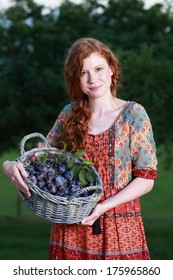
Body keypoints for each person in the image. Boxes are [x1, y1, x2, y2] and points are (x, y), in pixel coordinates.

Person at [3, 37, 158, 260]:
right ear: (75, 78)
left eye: (98, 69)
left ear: (112, 69)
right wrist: (8, 165)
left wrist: (103, 206)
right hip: (71, 229)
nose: (92, 78)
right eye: (83, 72)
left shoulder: (133, 114)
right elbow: (39, 160)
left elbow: (146, 178)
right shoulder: (69, 114)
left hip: (119, 229)